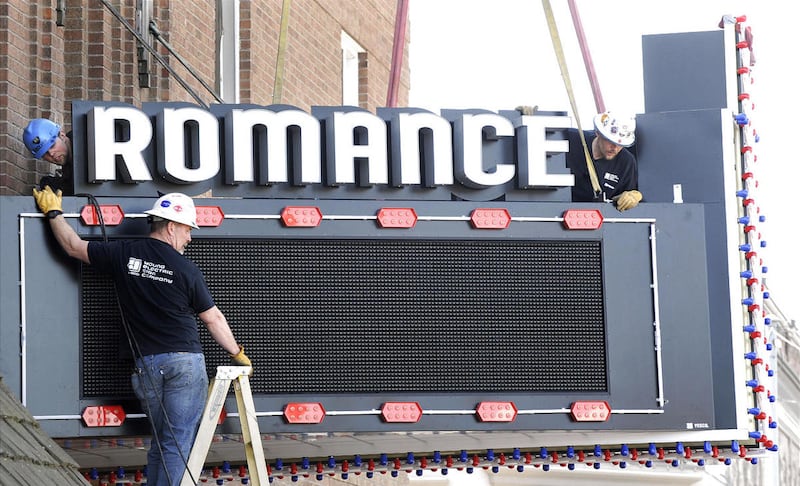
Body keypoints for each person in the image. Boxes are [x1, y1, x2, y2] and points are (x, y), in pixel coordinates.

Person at [31, 187, 252, 486]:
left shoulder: (124, 254)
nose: (190, 237)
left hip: (146, 367)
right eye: (188, 229)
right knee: (177, 444)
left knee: (162, 443)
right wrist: (237, 353)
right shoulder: (186, 270)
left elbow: (72, 246)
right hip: (184, 365)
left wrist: (53, 212)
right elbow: (212, 318)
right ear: (171, 226)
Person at [564, 111, 642, 211]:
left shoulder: (626, 163)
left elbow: (628, 193)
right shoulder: (570, 139)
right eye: (610, 141)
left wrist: (633, 196)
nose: (615, 148)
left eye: (621, 144)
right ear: (598, 133)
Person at [23, 118, 74, 195]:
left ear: (62, 135)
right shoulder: (68, 172)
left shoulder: (92, 142)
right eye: (45, 153)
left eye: (52, 145)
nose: (51, 154)